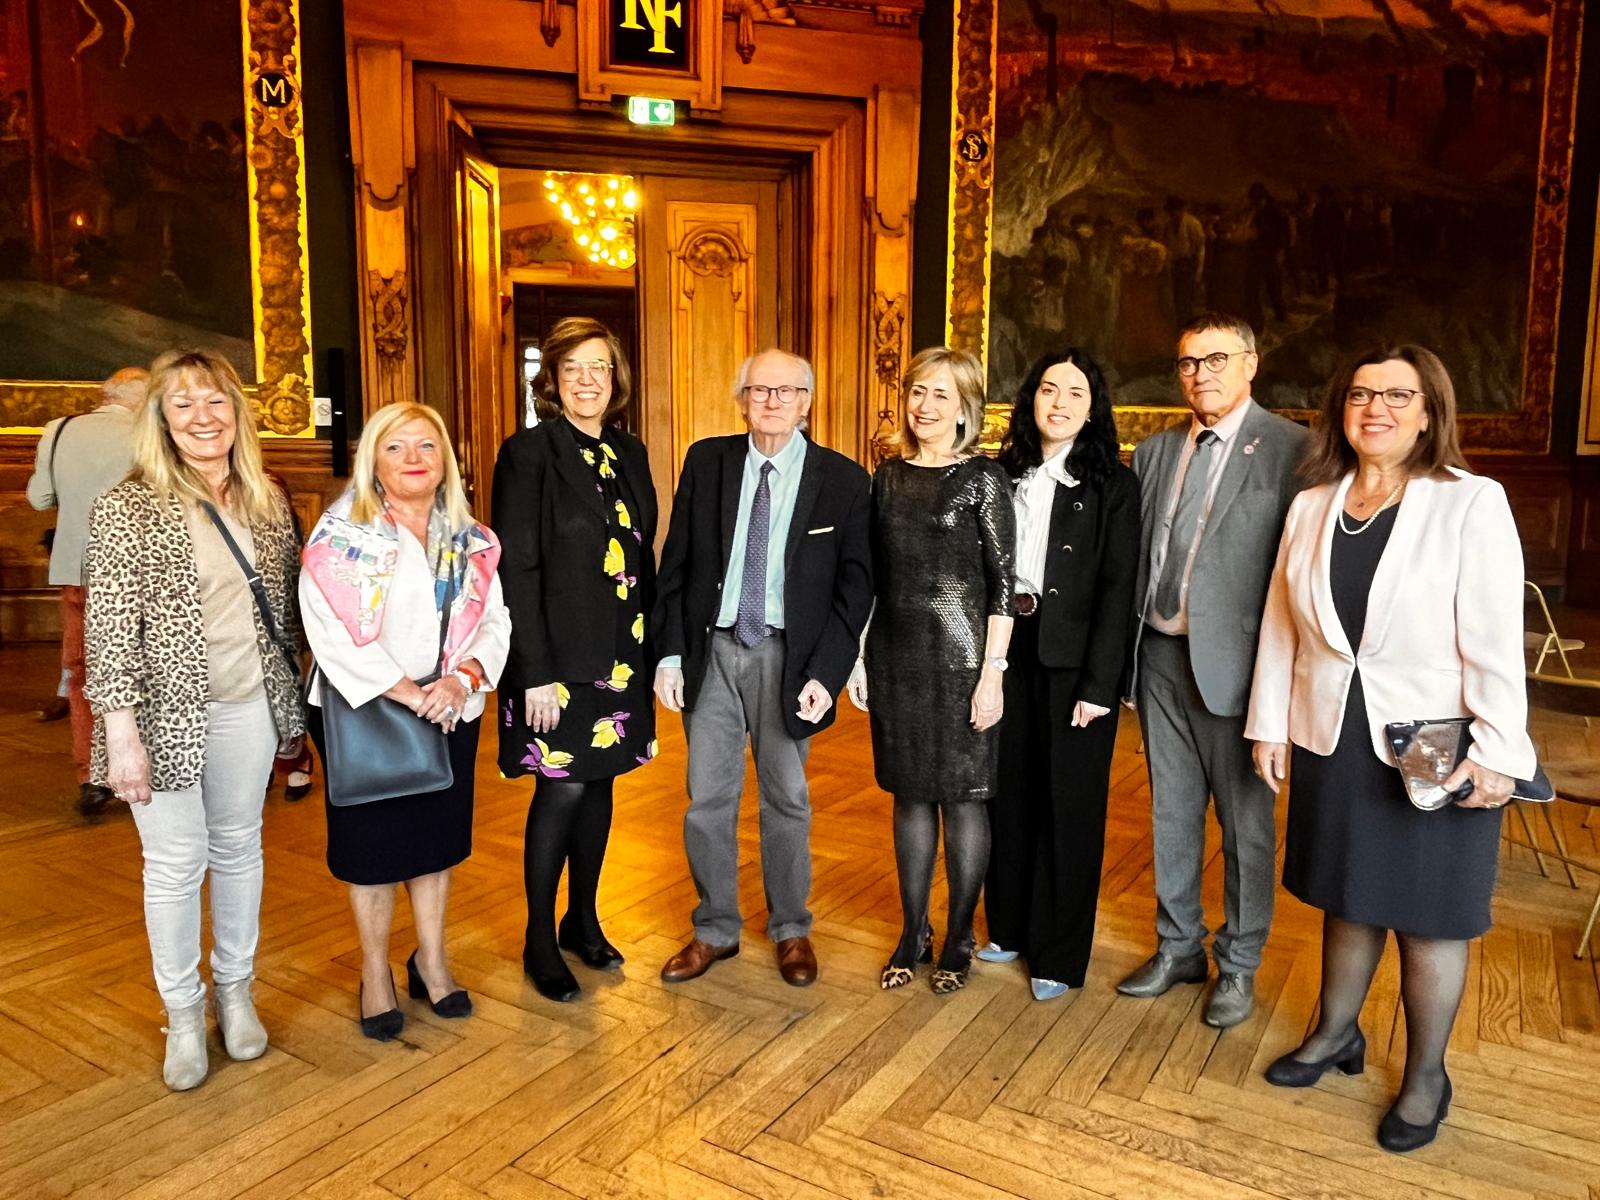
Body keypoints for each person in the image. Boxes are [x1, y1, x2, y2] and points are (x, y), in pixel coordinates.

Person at [1246, 346, 1533, 1153]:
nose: (1377, 408)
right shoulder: (1313, 505)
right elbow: (1281, 624)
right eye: (1361, 394)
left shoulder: (1470, 502)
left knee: (1430, 917)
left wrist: (1499, 750)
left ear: (1430, 411)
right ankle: (1336, 1033)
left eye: (1398, 395)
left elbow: (1494, 638)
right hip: (1333, 735)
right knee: (1347, 895)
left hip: (1434, 747)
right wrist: (1269, 722)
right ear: (1340, 410)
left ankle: (1427, 1077)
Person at [83, 350, 305, 1091]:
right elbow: (109, 629)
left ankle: (235, 993)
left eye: (216, 402)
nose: (202, 418)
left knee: (239, 849)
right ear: (161, 418)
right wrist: (120, 734)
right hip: (160, 716)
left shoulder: (266, 501)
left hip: (249, 706)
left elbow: (289, 611)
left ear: (238, 413)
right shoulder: (129, 505)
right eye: (183, 405)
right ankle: (182, 1014)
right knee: (176, 866)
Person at [653, 349, 873, 988]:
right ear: (741, 399)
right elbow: (677, 564)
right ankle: (715, 929)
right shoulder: (707, 462)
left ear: (807, 402)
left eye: (787, 391)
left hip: (789, 658)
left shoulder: (843, 479)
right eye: (759, 390)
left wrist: (826, 673)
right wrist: (670, 653)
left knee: (787, 797)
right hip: (713, 651)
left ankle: (791, 928)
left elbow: (855, 588)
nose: (772, 401)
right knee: (707, 798)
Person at [1119, 312, 1307, 1028]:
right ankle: (1178, 948)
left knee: (1245, 825)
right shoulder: (1156, 451)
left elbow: (1299, 572)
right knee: (1170, 813)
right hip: (1159, 653)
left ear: (1251, 364)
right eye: (1189, 362)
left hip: (1241, 667)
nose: (1201, 374)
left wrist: (1283, 692)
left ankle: (1239, 963)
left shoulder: (1294, 449)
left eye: (1217, 359)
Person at [301, 402, 510, 1040]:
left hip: (451, 707)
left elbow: (496, 620)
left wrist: (462, 679)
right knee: (373, 852)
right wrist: (410, 694)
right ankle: (374, 970)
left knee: (434, 846)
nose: (413, 458)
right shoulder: (342, 537)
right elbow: (329, 632)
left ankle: (432, 961)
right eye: (395, 447)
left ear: (445, 458)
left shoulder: (470, 537)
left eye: (426, 445)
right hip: (366, 711)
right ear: (373, 461)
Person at [492, 317, 658, 1004]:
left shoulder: (629, 452)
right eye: (573, 368)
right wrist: (534, 672)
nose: (588, 380)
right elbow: (517, 567)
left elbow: (641, 555)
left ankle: (581, 920)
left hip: (622, 654)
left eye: (600, 367)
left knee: (601, 785)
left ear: (616, 378)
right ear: (553, 380)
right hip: (556, 663)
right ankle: (538, 937)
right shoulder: (529, 453)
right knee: (560, 790)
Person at [850, 347, 1015, 995]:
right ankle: (912, 931)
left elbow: (1004, 586)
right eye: (917, 391)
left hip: (965, 662)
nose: (924, 405)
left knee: (964, 799)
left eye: (941, 394)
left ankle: (959, 936)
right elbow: (871, 576)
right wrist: (860, 656)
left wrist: (993, 673)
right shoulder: (888, 477)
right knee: (910, 794)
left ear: (965, 408)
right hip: (896, 657)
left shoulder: (984, 479)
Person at [981, 348, 1139, 1000]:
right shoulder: (1001, 473)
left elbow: (1118, 590)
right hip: (1005, 649)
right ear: (1031, 399)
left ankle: (1059, 954)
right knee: (1008, 794)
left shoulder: (1113, 484)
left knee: (1069, 807)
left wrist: (1100, 686)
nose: (1060, 403)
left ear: (1093, 408)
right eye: (1050, 389)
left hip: (1075, 664)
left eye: (1076, 393)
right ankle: (1008, 928)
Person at [27, 366, 148, 815]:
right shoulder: (151, 434)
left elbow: (39, 499)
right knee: (144, 669)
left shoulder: (58, 430)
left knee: (81, 672)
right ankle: (144, 764)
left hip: (78, 570)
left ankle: (91, 776)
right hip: (141, 572)